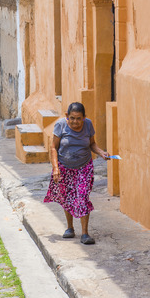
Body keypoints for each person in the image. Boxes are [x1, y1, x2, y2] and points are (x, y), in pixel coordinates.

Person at [44, 102, 109, 244]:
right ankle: (70, 228)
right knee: (68, 197)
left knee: (82, 196)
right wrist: (55, 168)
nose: (75, 122)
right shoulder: (60, 125)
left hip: (83, 167)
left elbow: (92, 144)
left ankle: (85, 233)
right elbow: (53, 147)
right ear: (67, 116)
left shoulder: (88, 125)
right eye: (72, 118)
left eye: (79, 118)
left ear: (84, 117)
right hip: (64, 167)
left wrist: (101, 152)